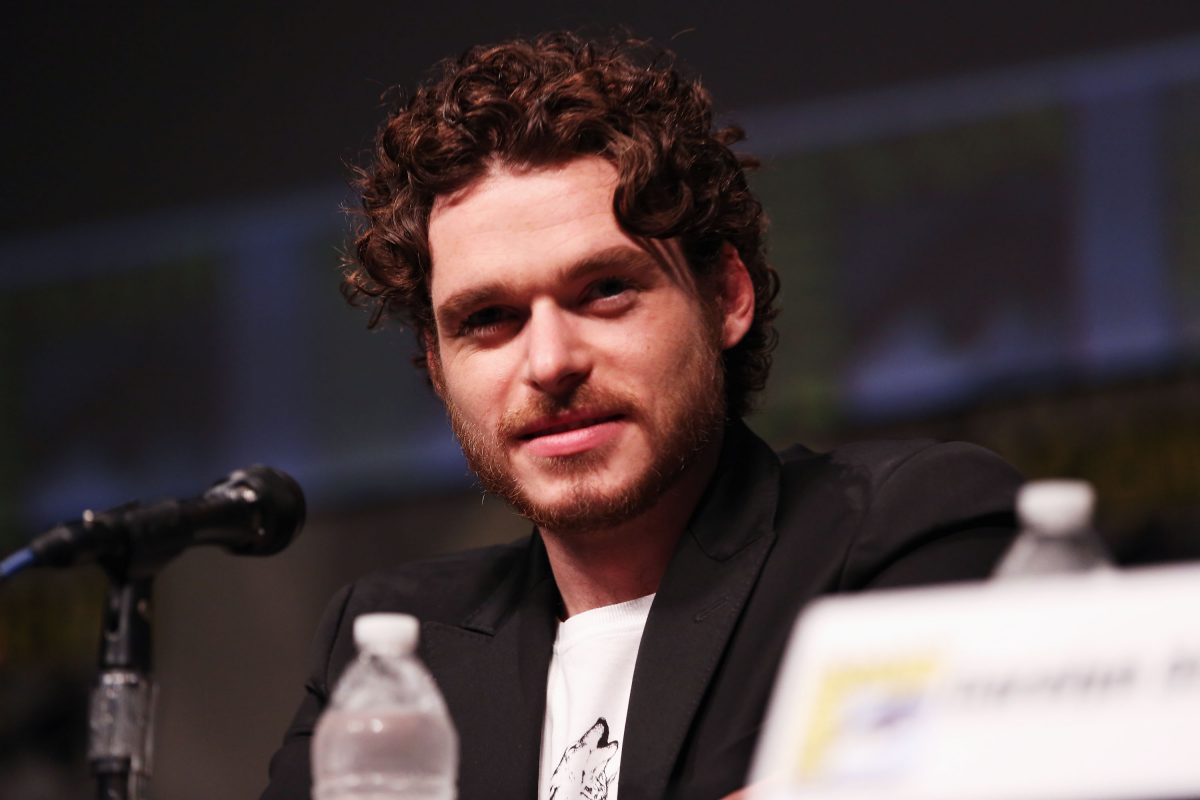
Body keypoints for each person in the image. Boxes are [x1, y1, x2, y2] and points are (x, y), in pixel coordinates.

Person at [260, 32, 1021, 800]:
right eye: (488, 316)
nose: (551, 361)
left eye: (604, 291)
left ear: (727, 295)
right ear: (434, 363)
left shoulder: (900, 531)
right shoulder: (393, 643)